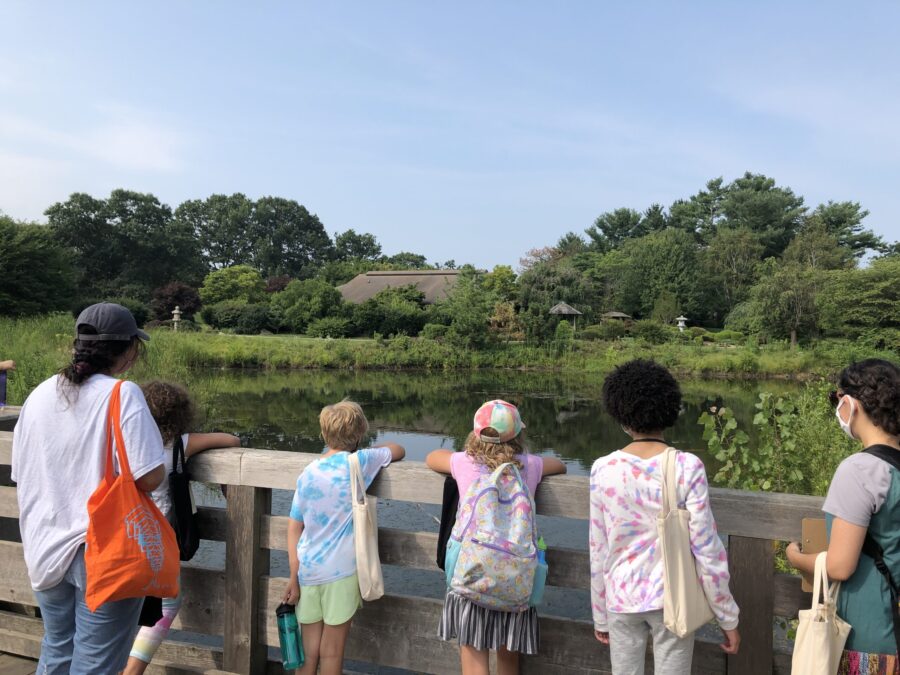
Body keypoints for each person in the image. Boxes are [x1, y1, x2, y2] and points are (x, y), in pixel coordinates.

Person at [11, 303, 167, 674]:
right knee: (96, 665)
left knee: (57, 651)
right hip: (104, 550)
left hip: (44, 547)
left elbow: (21, 470)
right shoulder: (122, 394)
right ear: (129, 351)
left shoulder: (39, 394)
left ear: (76, 346)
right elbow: (148, 476)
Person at [590, 360, 740, 674]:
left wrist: (600, 613)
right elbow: (707, 549)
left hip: (620, 598)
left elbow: (598, 547)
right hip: (671, 598)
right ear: (669, 410)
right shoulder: (688, 466)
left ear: (620, 413)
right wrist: (727, 616)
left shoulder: (602, 468)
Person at [427, 399, 567, 675]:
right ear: (518, 436)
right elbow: (560, 465)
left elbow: (432, 457)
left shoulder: (464, 462)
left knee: (473, 658)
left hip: (472, 573)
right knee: (508, 659)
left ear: (476, 434)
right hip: (514, 576)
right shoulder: (529, 466)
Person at [787, 358, 900, 674]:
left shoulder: (859, 470)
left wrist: (795, 558)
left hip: (870, 639)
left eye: (837, 402)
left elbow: (839, 565)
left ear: (850, 404)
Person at [124, 380, 241, 675]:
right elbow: (232, 440)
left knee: (127, 604)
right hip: (161, 539)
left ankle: (118, 664)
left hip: (126, 535)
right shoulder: (179, 444)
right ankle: (133, 670)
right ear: (180, 415)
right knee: (166, 605)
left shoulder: (128, 443)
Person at [282, 400, 404, 675]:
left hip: (308, 571)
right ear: (360, 432)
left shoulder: (308, 472)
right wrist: (367, 450)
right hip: (341, 572)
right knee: (332, 651)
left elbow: (293, 527)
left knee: (308, 653)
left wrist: (293, 574)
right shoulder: (359, 461)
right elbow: (397, 450)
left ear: (324, 434)